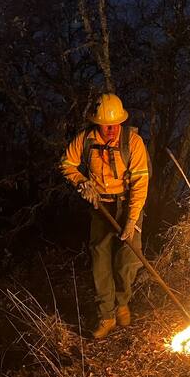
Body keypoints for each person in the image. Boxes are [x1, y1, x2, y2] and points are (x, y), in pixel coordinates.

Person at [61, 93, 149, 339]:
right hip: (100, 206)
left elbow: (141, 183)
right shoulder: (85, 140)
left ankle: (122, 303)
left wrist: (131, 220)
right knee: (100, 261)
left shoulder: (133, 143)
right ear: (97, 123)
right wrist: (82, 183)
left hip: (128, 204)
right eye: (106, 125)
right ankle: (107, 315)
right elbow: (67, 164)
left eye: (115, 124)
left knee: (128, 260)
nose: (111, 130)